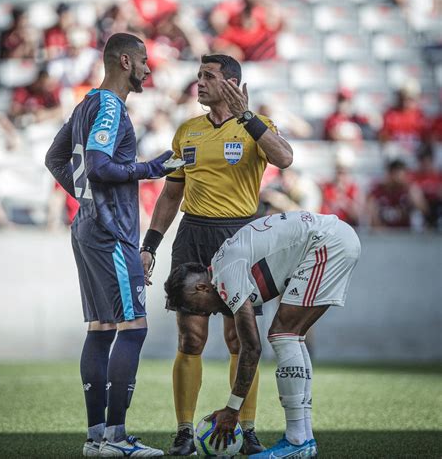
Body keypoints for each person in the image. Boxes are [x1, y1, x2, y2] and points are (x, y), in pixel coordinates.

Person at [140, 54, 293, 455]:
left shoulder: (256, 127)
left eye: (208, 76)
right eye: (198, 76)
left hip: (241, 237)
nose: (199, 83)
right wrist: (150, 245)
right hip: (192, 236)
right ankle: (185, 432)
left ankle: (247, 426)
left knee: (238, 338)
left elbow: (285, 158)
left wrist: (248, 118)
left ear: (231, 84)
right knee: (190, 337)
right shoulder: (186, 131)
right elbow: (172, 193)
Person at [45, 32, 182, 457]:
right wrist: (152, 167)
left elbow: (54, 158)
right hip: (110, 231)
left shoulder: (86, 104)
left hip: (86, 226)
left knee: (102, 328)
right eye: (143, 62)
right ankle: (117, 439)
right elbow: (102, 166)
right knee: (133, 328)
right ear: (125, 61)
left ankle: (96, 439)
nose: (147, 69)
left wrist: (86, 198)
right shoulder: (108, 105)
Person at [164, 210, 361, 458]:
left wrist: (232, 410)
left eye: (195, 306)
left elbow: (251, 347)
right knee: (290, 335)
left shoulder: (226, 274)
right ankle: (303, 437)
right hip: (331, 239)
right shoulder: (222, 265)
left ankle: (298, 440)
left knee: (284, 334)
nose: (204, 314)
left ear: (202, 287)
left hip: (327, 243)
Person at [367, 159, 428, 229]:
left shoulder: (409, 190)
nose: (400, 178)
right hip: (384, 234)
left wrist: (414, 193)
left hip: (406, 234)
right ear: (390, 174)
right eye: (398, 175)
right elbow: (371, 215)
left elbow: (424, 210)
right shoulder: (377, 191)